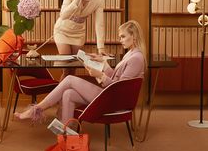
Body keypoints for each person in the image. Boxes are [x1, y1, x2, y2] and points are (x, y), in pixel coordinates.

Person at [14, 20, 147, 124]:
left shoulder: (136, 58)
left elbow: (119, 88)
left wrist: (100, 75)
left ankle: (37, 109)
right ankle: (66, 134)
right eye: (120, 37)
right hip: (110, 95)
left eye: (123, 36)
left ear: (133, 36)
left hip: (114, 100)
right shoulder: (131, 54)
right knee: (68, 94)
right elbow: (115, 78)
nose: (120, 40)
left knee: (70, 79)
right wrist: (103, 62)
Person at [53, 0, 105, 80]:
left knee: (73, 68)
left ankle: (68, 96)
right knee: (66, 67)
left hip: (78, 33)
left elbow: (99, 24)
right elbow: (63, 15)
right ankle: (59, 97)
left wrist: (101, 48)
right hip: (62, 30)